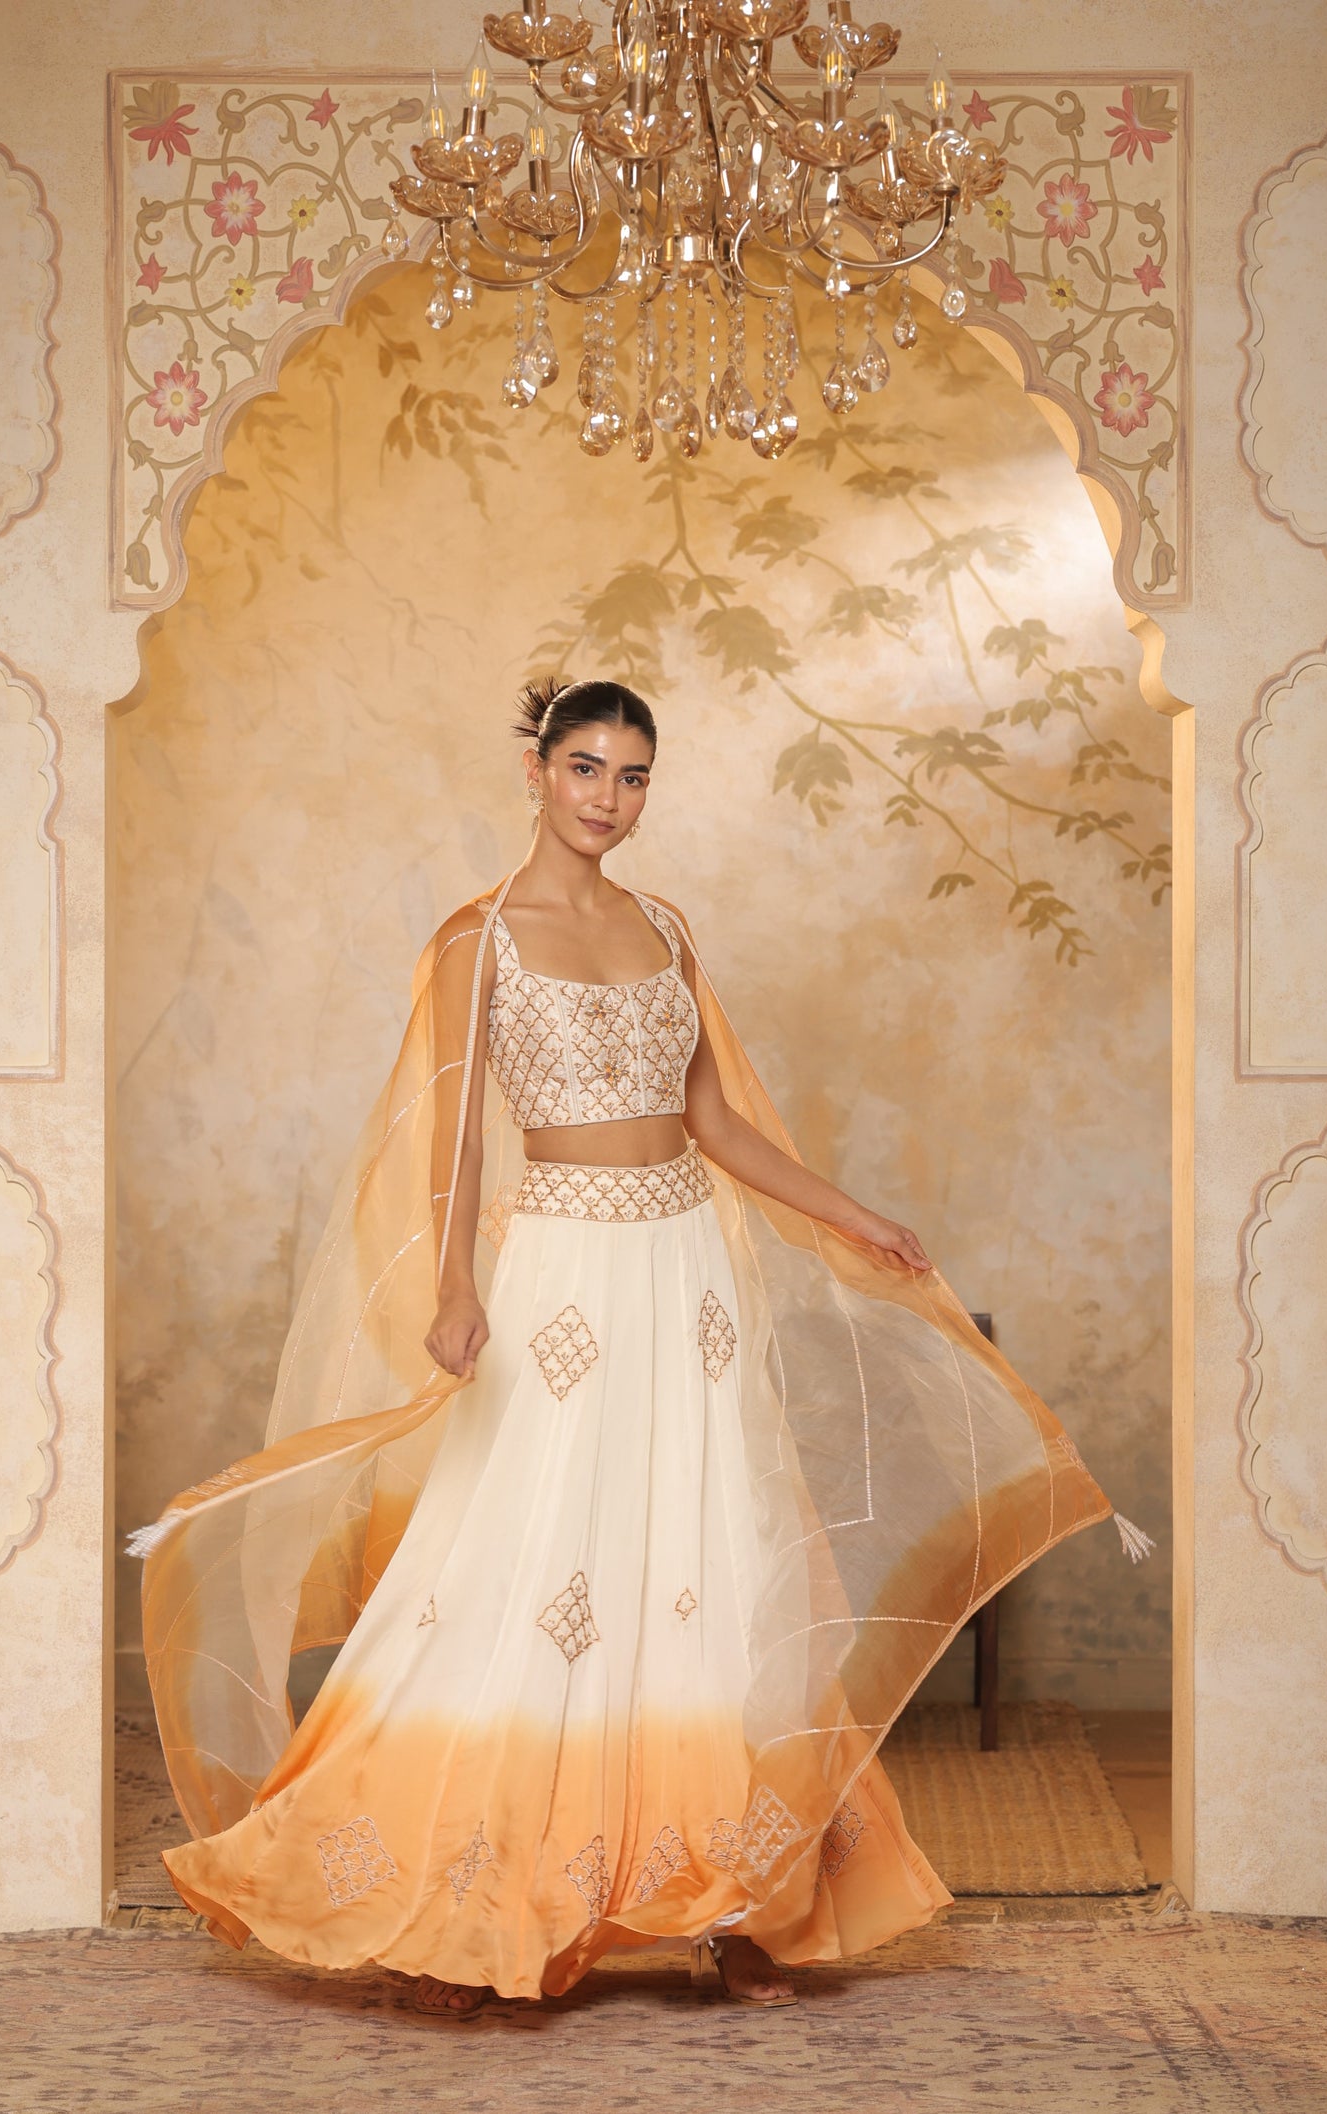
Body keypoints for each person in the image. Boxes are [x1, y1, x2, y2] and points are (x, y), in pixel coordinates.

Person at [133, 677, 1133, 2017]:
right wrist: (449, 1286)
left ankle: (735, 1900)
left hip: (683, 1279)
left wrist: (857, 1216)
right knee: (529, 1555)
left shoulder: (665, 928)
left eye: (634, 774)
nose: (609, 796)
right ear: (537, 771)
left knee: (707, 1555)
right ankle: (480, 1905)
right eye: (587, 767)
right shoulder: (475, 940)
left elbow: (717, 1125)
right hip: (557, 1278)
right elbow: (453, 1143)